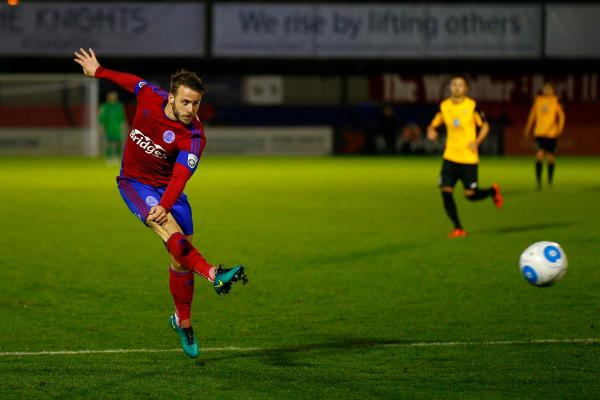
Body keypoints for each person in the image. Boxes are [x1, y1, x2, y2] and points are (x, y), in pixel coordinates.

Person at [74, 48, 248, 358]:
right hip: (135, 183)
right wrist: (98, 71)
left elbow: (181, 177)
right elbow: (131, 81)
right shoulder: (150, 96)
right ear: (170, 97)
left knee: (181, 259)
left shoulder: (194, 136)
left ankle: (182, 321)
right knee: (172, 235)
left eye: (196, 103)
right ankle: (213, 273)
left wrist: (167, 202)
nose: (190, 108)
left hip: (171, 191)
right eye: (185, 101)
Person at [427, 75, 504, 238]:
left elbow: (485, 126)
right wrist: (431, 131)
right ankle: (458, 228)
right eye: (454, 84)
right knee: (445, 191)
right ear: (450, 87)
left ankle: (492, 191)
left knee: (471, 195)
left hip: (468, 158)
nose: (456, 87)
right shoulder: (444, 106)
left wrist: (477, 142)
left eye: (460, 85)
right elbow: (434, 123)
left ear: (466, 89)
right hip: (450, 156)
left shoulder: (472, 106)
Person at [523, 82, 566, 189]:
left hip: (551, 134)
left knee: (551, 158)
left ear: (552, 90)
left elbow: (561, 116)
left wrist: (560, 128)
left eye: (549, 89)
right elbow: (532, 115)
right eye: (545, 89)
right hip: (539, 133)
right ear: (542, 90)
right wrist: (528, 127)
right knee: (539, 155)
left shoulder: (556, 101)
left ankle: (550, 181)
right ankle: (538, 182)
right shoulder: (538, 100)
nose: (546, 90)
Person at [98, 91, 127, 164]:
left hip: (117, 127)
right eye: (111, 96)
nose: (113, 97)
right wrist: (101, 127)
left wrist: (123, 126)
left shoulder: (119, 106)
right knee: (109, 143)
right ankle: (109, 158)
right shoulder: (105, 106)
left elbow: (122, 118)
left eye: (114, 96)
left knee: (118, 143)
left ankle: (117, 157)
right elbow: (101, 118)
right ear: (108, 97)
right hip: (108, 128)